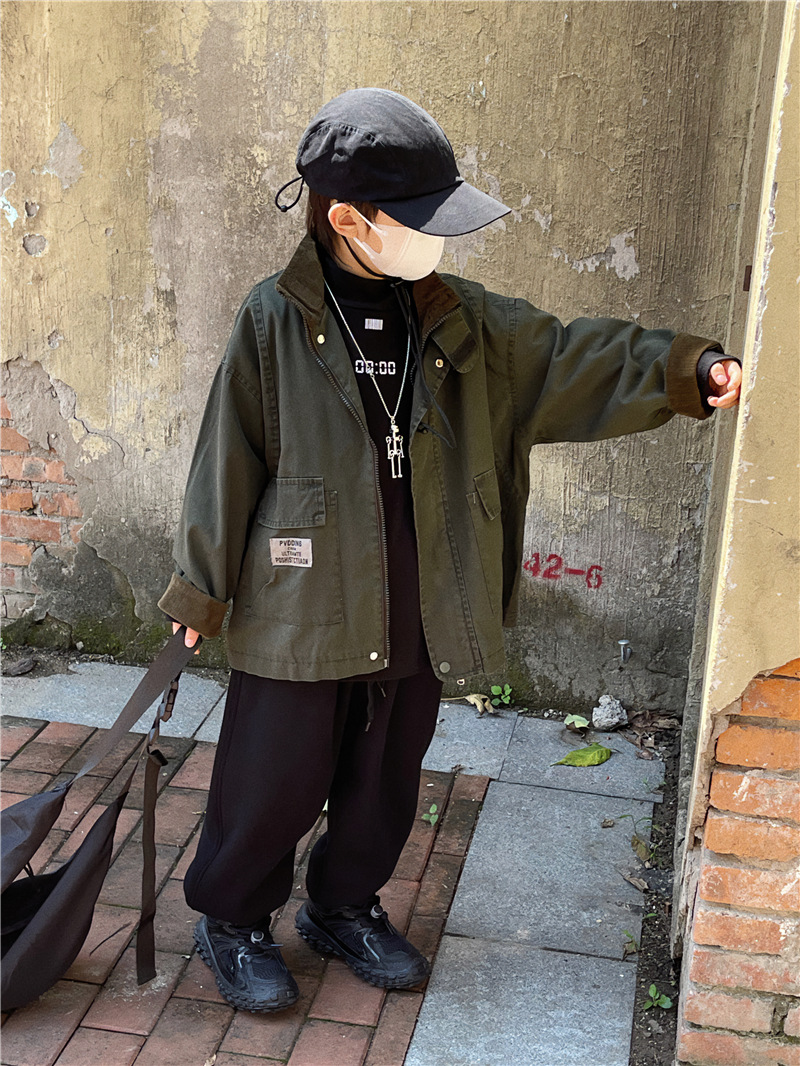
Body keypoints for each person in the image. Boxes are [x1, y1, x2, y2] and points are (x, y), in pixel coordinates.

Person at [158, 87, 741, 1013]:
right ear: (347, 219)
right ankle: (231, 919)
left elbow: (568, 355)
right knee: (272, 777)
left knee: (386, 779)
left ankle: (343, 905)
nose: (435, 239)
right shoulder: (274, 320)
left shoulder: (464, 321)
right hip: (301, 606)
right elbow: (226, 459)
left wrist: (685, 370)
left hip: (424, 599)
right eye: (417, 219)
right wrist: (200, 591)